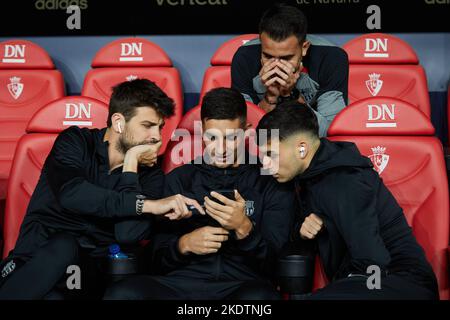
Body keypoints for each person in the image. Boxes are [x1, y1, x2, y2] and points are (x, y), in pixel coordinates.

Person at [0, 79, 202, 300]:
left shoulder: (150, 174)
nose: (156, 136)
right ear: (118, 123)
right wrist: (147, 206)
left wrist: (131, 164)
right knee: (61, 258)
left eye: (160, 127)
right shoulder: (75, 141)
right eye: (147, 125)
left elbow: (128, 235)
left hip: (85, 274)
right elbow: (72, 195)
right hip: (33, 259)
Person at [103, 88, 296, 300]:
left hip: (241, 285)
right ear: (202, 132)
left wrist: (244, 228)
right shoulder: (179, 179)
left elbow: (275, 264)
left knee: (262, 299)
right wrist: (183, 244)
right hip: (179, 285)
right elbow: (154, 258)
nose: (221, 149)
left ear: (247, 132)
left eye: (231, 138)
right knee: (122, 294)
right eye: (212, 137)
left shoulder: (269, 182)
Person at [255, 102, 438, 299]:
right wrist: (302, 230)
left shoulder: (344, 180)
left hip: (400, 282)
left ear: (302, 149)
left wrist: (361, 293)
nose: (265, 164)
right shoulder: (311, 175)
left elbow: (373, 261)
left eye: (271, 154)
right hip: (366, 281)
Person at [231, 3, 348, 137]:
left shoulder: (331, 58)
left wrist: (291, 95)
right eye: (268, 56)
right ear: (261, 46)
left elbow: (329, 132)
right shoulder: (245, 58)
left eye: (286, 58)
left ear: (304, 48)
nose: (276, 66)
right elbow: (244, 132)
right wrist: (270, 97)